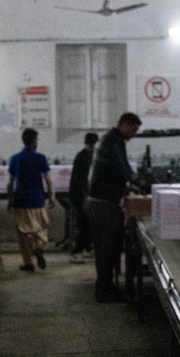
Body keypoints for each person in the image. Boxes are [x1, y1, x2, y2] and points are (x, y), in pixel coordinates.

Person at [85, 112, 141, 302]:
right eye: (133, 130)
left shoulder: (108, 139)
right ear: (124, 125)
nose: (134, 134)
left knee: (104, 250)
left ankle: (104, 287)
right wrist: (141, 183)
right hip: (104, 206)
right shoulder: (114, 142)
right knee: (108, 250)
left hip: (97, 203)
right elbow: (124, 170)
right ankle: (104, 291)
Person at [7, 128, 55, 271]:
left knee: (23, 234)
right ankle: (39, 247)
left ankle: (28, 263)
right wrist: (52, 197)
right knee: (41, 229)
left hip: (21, 201)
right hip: (37, 200)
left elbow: (10, 183)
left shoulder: (15, 158)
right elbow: (48, 180)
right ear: (34, 141)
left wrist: (10, 200)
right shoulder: (40, 158)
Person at [69, 132, 98, 263]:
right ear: (93, 145)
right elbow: (81, 181)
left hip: (83, 195)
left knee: (88, 223)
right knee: (85, 224)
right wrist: (85, 198)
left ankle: (87, 247)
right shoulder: (83, 158)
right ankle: (76, 252)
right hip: (80, 196)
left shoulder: (87, 156)